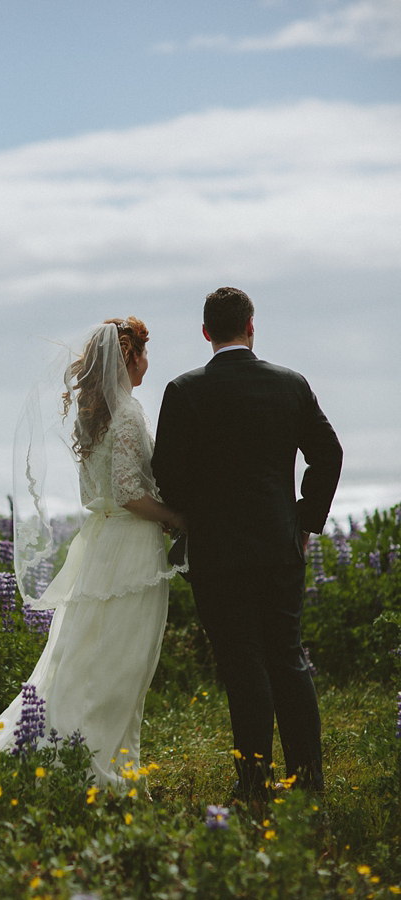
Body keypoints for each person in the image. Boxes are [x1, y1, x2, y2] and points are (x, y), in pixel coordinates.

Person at [0, 317, 186, 787]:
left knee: (88, 653)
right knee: (120, 660)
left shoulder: (97, 412)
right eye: (144, 353)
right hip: (129, 546)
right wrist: (175, 517)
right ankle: (96, 765)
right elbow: (129, 493)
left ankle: (90, 755)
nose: (148, 363)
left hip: (103, 541)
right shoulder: (126, 413)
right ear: (130, 357)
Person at [152, 287, 343, 798]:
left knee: (242, 663)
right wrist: (303, 521)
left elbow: (166, 474)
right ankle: (309, 780)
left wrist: (203, 512)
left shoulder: (184, 390)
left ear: (206, 332)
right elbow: (328, 455)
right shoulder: (290, 385)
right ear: (251, 327)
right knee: (287, 657)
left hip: (217, 552)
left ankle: (254, 785)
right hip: (280, 546)